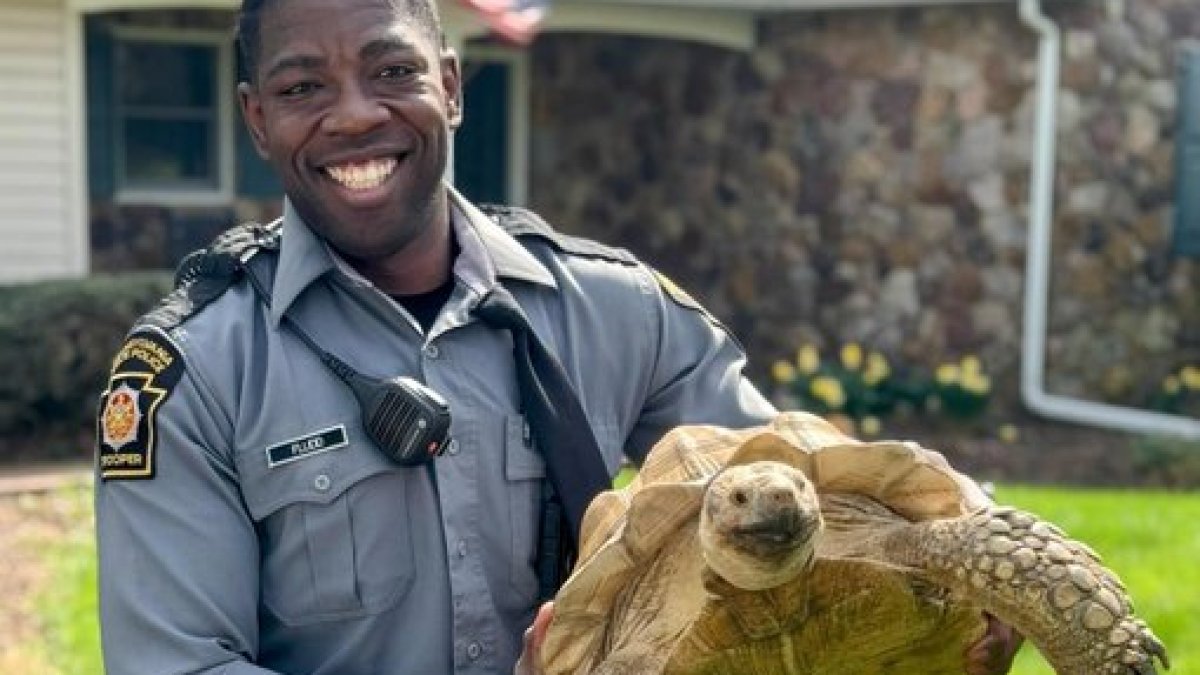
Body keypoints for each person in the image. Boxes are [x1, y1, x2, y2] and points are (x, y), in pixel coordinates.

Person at [93, 0, 1021, 673]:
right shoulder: (197, 372)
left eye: (393, 71)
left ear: (450, 86)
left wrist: (959, 542)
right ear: (257, 119)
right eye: (304, 86)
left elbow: (793, 499)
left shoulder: (612, 308)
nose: (355, 114)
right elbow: (177, 664)